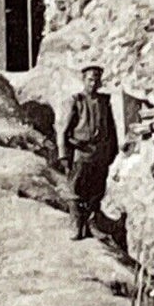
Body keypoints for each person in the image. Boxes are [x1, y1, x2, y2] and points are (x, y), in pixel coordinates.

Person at [58, 64, 119, 240]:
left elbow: (111, 128)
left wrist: (112, 152)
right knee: (76, 190)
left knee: (96, 190)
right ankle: (76, 225)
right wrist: (63, 154)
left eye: (97, 79)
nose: (94, 83)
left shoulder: (104, 101)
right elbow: (63, 130)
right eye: (90, 79)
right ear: (83, 80)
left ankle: (92, 225)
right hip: (81, 152)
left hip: (99, 153)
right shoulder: (76, 101)